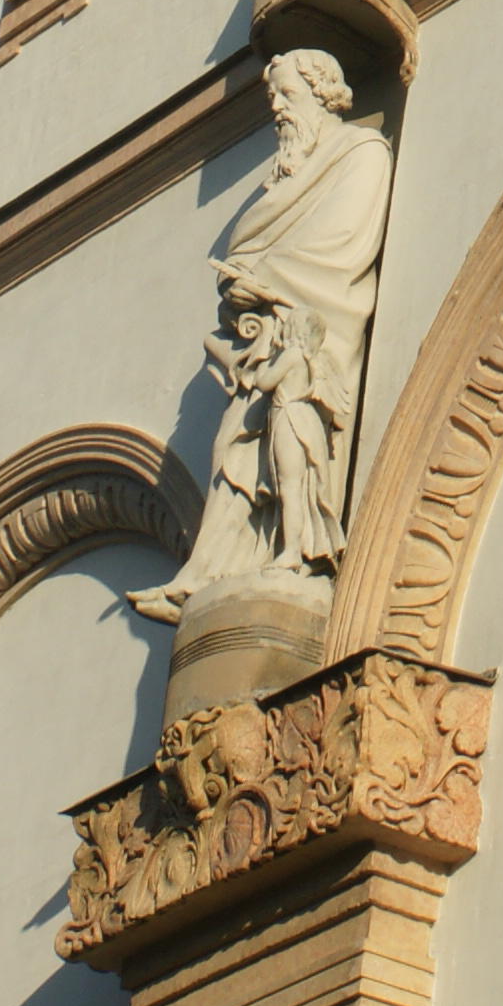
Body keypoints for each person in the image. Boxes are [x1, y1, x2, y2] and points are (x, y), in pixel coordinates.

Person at [134, 47, 392, 621]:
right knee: (234, 446)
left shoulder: (360, 153)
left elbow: (344, 243)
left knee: (285, 457)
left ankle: (289, 555)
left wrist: (264, 278)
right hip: (264, 344)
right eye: (272, 94)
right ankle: (208, 574)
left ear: (321, 91)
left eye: (286, 93)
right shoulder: (285, 176)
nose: (275, 106)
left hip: (306, 338)